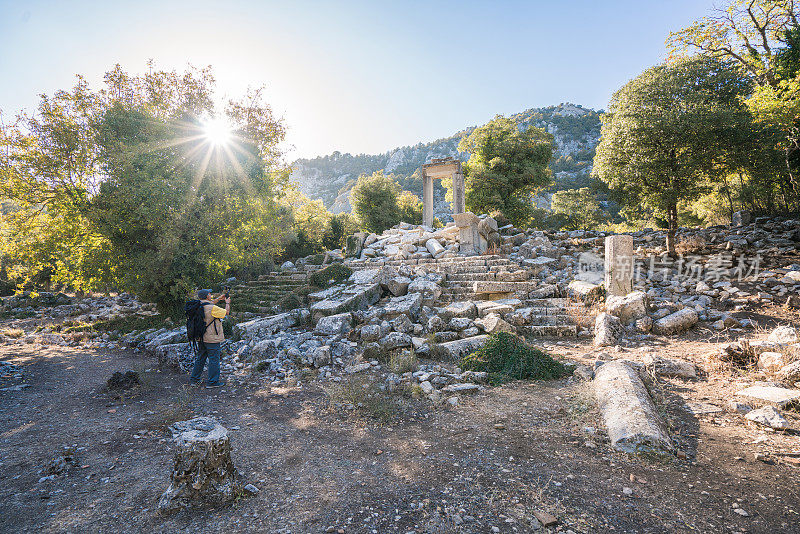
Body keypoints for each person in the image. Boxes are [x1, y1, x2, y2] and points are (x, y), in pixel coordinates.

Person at [189, 289, 230, 388]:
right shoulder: (213, 308)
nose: (211, 295)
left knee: (201, 358)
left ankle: (194, 380)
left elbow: (208, 304)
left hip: (201, 337)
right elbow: (226, 312)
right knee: (214, 359)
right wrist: (227, 303)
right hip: (211, 338)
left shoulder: (197, 305)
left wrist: (218, 299)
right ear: (207, 296)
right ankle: (212, 382)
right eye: (210, 294)